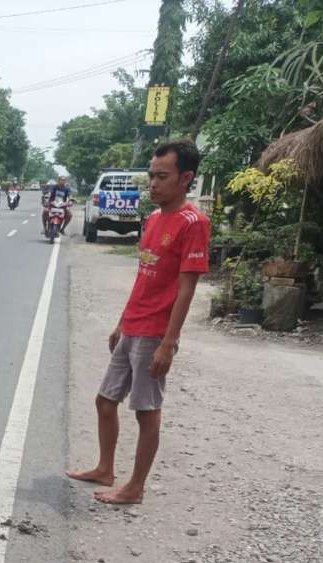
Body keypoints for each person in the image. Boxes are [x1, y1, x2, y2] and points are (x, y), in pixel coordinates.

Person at [66, 139, 211, 505]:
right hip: (133, 325)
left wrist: (168, 342)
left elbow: (186, 287)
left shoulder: (193, 223)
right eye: (151, 175)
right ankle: (105, 467)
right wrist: (121, 322)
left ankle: (135, 487)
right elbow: (144, 277)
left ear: (186, 178)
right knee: (105, 401)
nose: (153, 183)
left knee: (146, 412)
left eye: (162, 176)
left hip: (155, 333)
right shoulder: (156, 218)